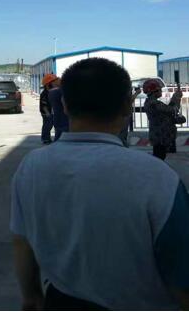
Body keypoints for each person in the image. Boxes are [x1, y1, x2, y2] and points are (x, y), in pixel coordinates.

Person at [11, 58, 189, 311]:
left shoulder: (31, 166)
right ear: (127, 106)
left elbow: (22, 239)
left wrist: (31, 297)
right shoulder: (157, 177)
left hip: (60, 300)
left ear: (64, 104)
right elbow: (181, 274)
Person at [143, 79, 182, 160]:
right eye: (159, 90)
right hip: (160, 137)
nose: (161, 91)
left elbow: (167, 109)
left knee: (159, 156)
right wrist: (177, 98)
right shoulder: (154, 104)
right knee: (159, 157)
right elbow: (172, 110)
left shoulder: (152, 102)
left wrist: (175, 97)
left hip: (159, 136)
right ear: (154, 91)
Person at [47, 77, 69, 141]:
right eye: (57, 80)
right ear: (53, 83)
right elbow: (65, 104)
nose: (59, 80)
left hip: (57, 118)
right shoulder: (59, 91)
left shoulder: (50, 92)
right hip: (64, 119)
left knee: (58, 135)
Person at [39, 74, 58, 144]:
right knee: (47, 125)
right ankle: (45, 139)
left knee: (51, 124)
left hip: (51, 112)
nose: (55, 83)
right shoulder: (44, 94)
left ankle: (47, 138)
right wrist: (47, 113)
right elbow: (44, 105)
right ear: (48, 84)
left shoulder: (52, 91)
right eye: (53, 82)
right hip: (46, 112)